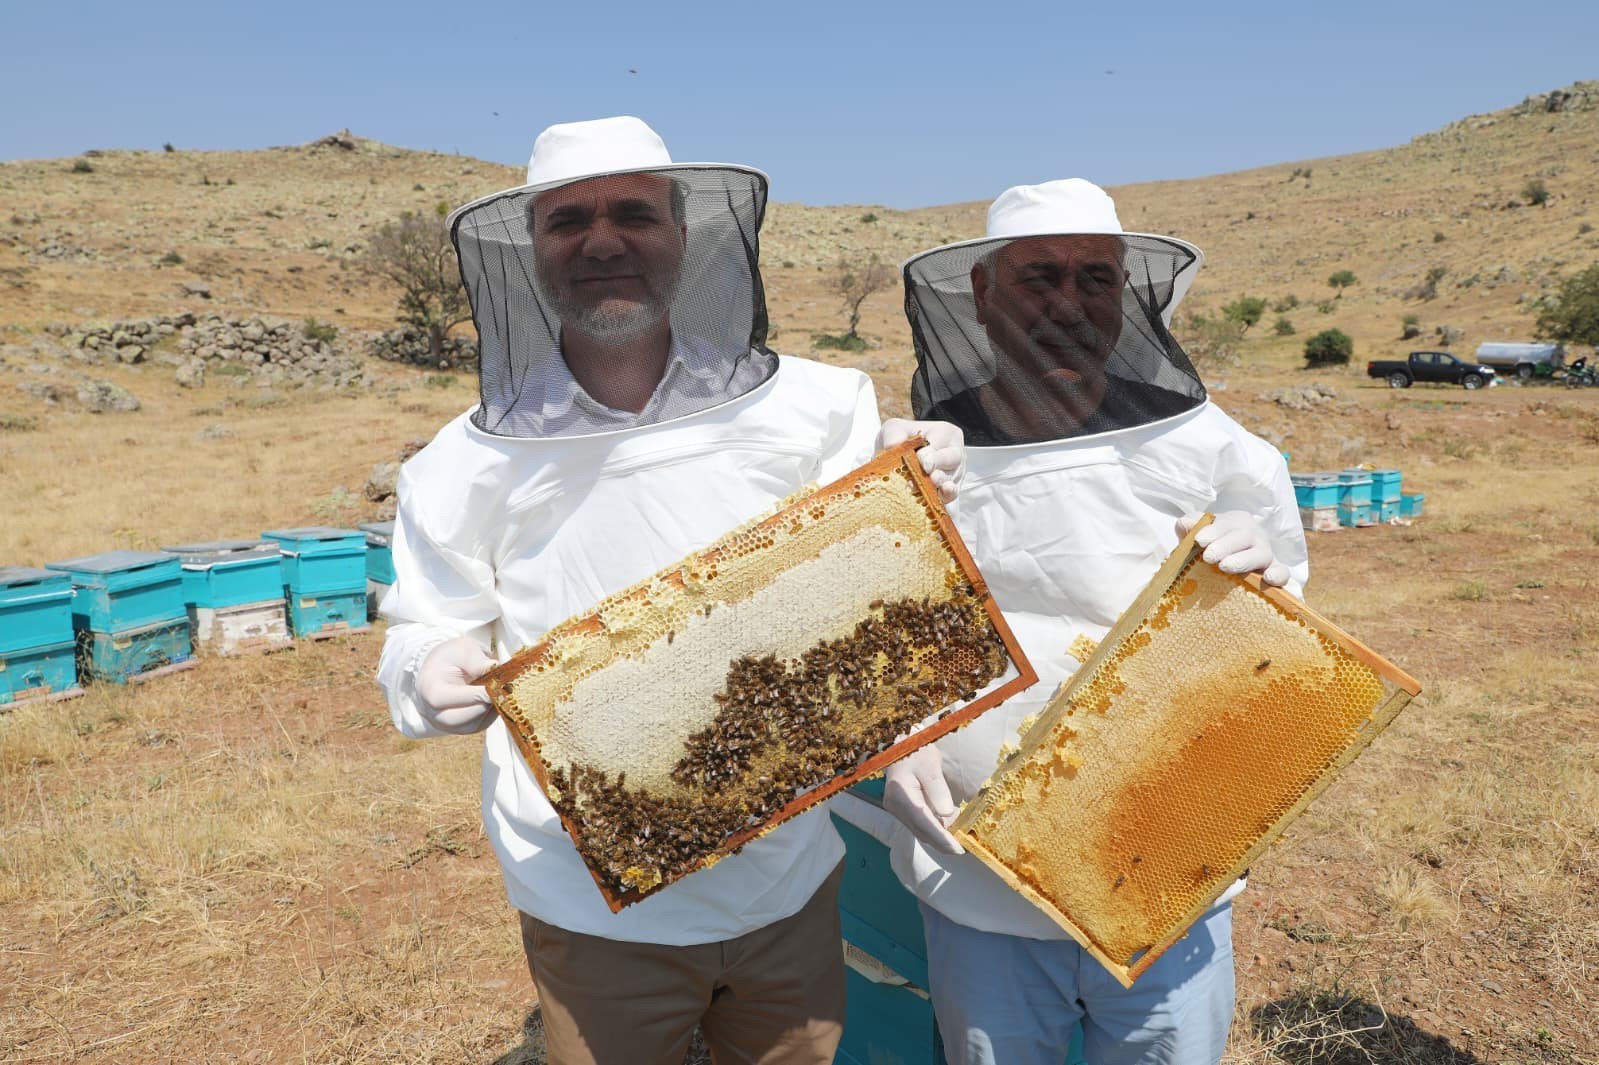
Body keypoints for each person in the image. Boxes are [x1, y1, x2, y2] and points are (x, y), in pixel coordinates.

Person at [375, 116, 961, 1065]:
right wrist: (426, 669)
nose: (603, 241)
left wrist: (914, 488)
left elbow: (872, 603)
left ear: (686, 237)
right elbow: (424, 625)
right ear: (531, 250)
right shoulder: (460, 463)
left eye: (634, 215)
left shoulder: (818, 407)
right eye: (569, 219)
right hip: (586, 896)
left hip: (787, 876)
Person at [880, 179, 1309, 1065]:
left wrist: (1266, 575)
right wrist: (899, 735)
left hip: (1164, 866)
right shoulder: (923, 457)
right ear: (983, 296)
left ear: (1128, 295)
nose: (1067, 302)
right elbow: (876, 630)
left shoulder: (1216, 449)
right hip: (976, 879)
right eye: (1037, 277)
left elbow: (1287, 641)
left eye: (1095, 278)